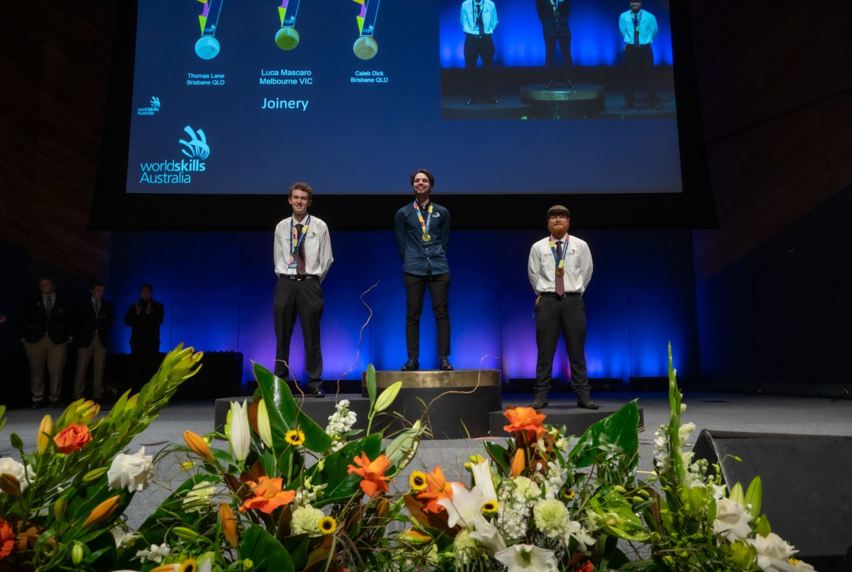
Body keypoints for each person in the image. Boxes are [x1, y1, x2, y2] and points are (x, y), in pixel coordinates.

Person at [527, 205, 598, 409]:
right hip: (548, 300)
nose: (558, 220)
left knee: (576, 350)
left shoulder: (580, 245)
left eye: (562, 217)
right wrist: (544, 292)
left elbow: (587, 271)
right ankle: (541, 395)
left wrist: (575, 290)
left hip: (573, 301)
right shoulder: (538, 247)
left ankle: (583, 395)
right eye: (553, 217)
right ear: (548, 223)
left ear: (568, 222)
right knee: (545, 350)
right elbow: (533, 274)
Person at [273, 181, 333, 397]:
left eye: (303, 198)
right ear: (290, 200)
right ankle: (280, 382)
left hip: (310, 283)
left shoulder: (320, 226)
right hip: (286, 283)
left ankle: (315, 382)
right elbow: (278, 257)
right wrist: (288, 276)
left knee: (312, 336)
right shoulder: (281, 226)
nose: (299, 201)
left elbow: (327, 259)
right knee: (282, 335)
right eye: (296, 197)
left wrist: (312, 280)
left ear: (309, 202)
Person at [394, 169, 452, 371]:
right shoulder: (404, 213)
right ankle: (412, 359)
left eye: (424, 180)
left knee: (442, 313)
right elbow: (401, 242)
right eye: (417, 180)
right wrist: (412, 259)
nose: (420, 183)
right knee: (412, 315)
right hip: (413, 268)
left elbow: (444, 240)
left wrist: (435, 255)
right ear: (413, 185)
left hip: (438, 267)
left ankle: (444, 358)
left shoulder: (442, 212)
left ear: (430, 185)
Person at [21, 277, 72, 407]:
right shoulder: (32, 299)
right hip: (35, 340)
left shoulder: (63, 299)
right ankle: (37, 398)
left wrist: (69, 336)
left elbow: (70, 317)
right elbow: (23, 317)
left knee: (56, 371)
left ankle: (54, 398)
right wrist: (23, 337)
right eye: (42, 284)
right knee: (36, 370)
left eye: (46, 284)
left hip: (57, 340)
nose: (44, 286)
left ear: (52, 285)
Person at [73, 280, 112, 402]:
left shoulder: (106, 305)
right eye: (98, 290)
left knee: (99, 367)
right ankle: (78, 393)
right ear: (92, 291)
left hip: (100, 339)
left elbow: (109, 321)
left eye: (102, 291)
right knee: (82, 367)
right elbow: (77, 321)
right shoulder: (83, 304)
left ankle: (98, 394)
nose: (101, 293)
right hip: (86, 339)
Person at [619, 0, 659, 109]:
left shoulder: (649, 16)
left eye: (637, 2)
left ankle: (654, 102)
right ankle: (629, 103)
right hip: (630, 49)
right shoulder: (623, 16)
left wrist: (648, 40)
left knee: (648, 76)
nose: (634, 4)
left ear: (641, 3)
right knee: (629, 76)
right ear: (629, 3)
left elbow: (654, 30)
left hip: (645, 48)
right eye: (632, 2)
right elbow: (623, 30)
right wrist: (630, 40)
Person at [124, 284, 164, 390]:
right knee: (136, 370)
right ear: (140, 293)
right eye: (143, 291)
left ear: (151, 293)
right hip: (137, 344)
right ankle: (136, 394)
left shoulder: (158, 307)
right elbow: (127, 321)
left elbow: (159, 321)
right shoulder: (134, 307)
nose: (145, 293)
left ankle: (151, 394)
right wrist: (137, 315)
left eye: (147, 291)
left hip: (152, 343)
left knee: (151, 370)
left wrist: (146, 315)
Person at [460, 0, 499, 104]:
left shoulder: (490, 4)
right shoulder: (465, 4)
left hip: (486, 39)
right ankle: (471, 96)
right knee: (470, 68)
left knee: (489, 67)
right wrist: (472, 33)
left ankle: (489, 95)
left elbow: (495, 21)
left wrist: (486, 31)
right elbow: (463, 22)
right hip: (471, 39)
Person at [535, 0, 573, 88]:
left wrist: (563, 21)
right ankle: (550, 80)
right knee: (549, 55)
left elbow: (567, 10)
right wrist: (546, 24)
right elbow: (540, 12)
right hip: (549, 28)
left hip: (563, 28)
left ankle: (569, 79)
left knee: (567, 54)